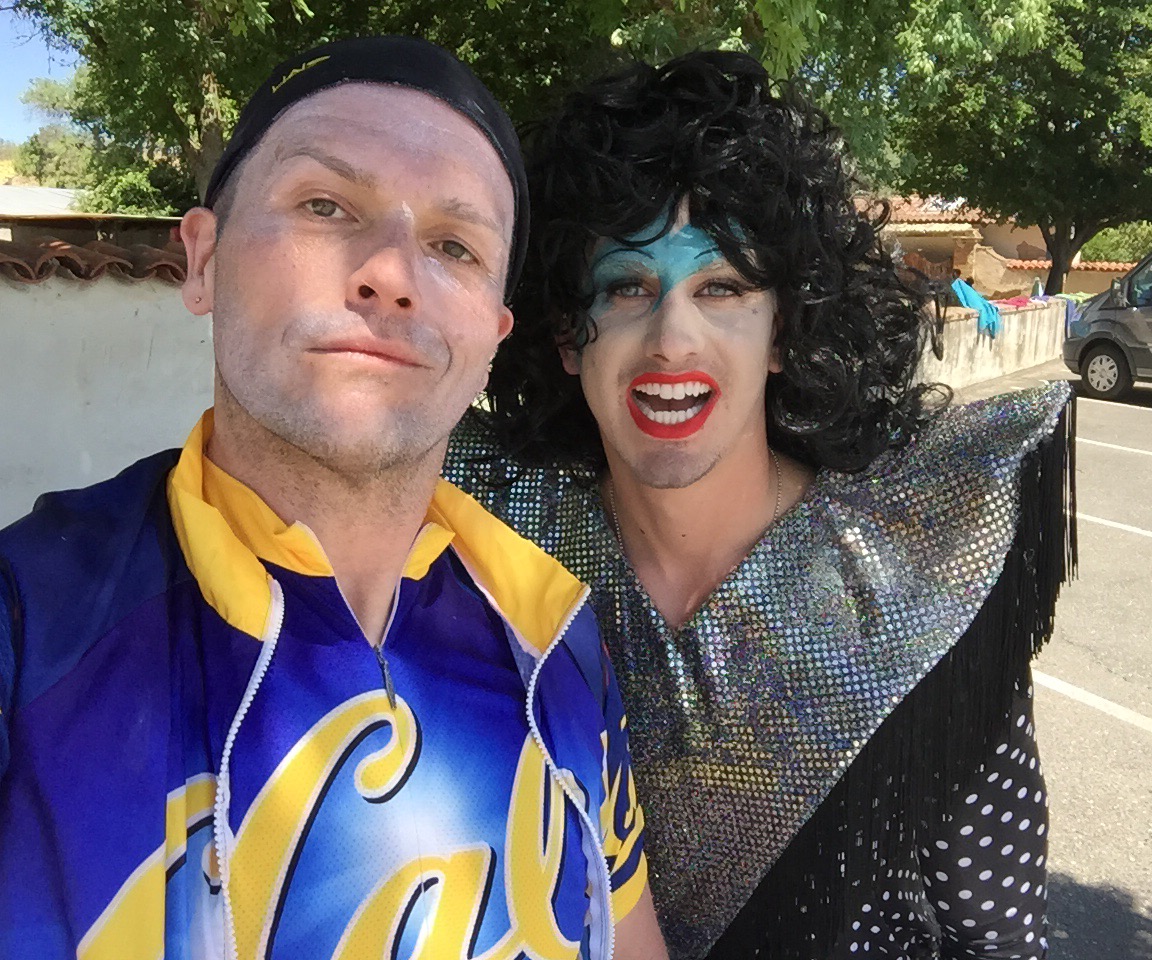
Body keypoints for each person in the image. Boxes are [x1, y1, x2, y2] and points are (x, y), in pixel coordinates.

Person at [0, 38, 667, 960]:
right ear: (203, 259)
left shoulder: (557, 634)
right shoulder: (27, 622)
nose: (390, 271)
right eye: (324, 205)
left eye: (454, 246)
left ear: (492, 336)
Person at [446, 52, 1074, 959]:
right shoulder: (488, 540)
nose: (673, 339)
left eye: (723, 287)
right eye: (626, 287)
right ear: (566, 336)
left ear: (784, 329)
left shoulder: (919, 580)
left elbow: (999, 940)